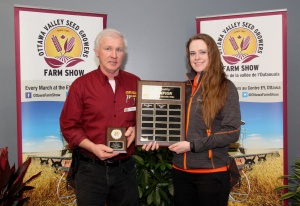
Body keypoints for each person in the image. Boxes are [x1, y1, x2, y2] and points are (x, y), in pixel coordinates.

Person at [60, 28, 158, 206]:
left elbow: (146, 118)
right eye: (108, 49)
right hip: (91, 170)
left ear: (124, 54)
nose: (114, 55)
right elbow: (68, 125)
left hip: (125, 170)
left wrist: (138, 129)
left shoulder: (136, 82)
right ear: (97, 52)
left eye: (119, 50)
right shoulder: (81, 85)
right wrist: (92, 147)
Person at [168, 33, 241, 206]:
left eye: (202, 52)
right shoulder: (182, 88)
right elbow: (169, 124)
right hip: (181, 171)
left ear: (212, 54)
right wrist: (154, 138)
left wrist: (192, 145)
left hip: (211, 173)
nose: (197, 57)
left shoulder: (226, 87)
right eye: (192, 53)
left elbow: (232, 132)